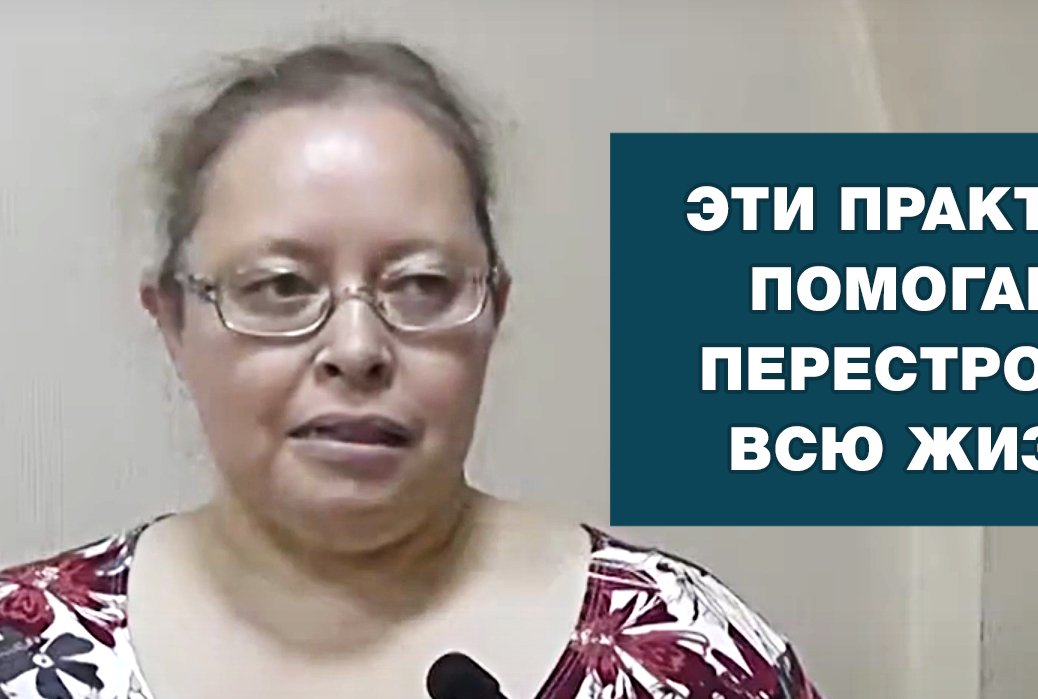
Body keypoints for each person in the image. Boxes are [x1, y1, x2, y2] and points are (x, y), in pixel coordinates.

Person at [0, 39, 824, 699]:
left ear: (492, 311)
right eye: (280, 286)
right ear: (173, 322)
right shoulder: (25, 651)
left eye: (423, 284)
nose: (357, 347)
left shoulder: (691, 654)